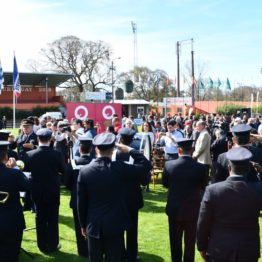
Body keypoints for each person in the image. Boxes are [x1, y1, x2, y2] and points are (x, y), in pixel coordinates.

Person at [77, 132, 152, 262]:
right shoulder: (120, 168)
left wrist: (83, 225)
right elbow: (146, 165)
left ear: (96, 149)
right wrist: (130, 150)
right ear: (113, 150)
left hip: (93, 223)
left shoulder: (85, 171)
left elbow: (81, 202)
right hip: (115, 224)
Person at [197, 147, 262, 262]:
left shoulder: (213, 190)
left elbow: (203, 221)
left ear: (229, 168)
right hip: (248, 249)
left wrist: (201, 246)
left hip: (219, 248)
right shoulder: (258, 189)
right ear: (248, 169)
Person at [162, 138, 206, 262]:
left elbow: (165, 183)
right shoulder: (200, 168)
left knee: (175, 241)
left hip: (175, 209)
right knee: (190, 242)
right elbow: (203, 186)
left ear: (179, 150)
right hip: (192, 209)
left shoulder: (169, 165)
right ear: (192, 150)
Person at [24, 128, 66, 253]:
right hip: (52, 190)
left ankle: (42, 245)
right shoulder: (57, 154)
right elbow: (64, 171)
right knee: (53, 218)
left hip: (37, 191)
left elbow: (26, 171)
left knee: (40, 217)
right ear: (50, 140)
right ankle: (53, 245)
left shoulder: (30, 154)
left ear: (38, 139)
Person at [112, 128, 151, 262]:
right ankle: (132, 256)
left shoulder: (112, 156)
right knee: (132, 230)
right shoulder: (135, 157)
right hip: (131, 198)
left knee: (117, 229)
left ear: (120, 140)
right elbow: (145, 179)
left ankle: (120, 254)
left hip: (116, 198)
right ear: (131, 141)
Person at [0, 141, 30, 262]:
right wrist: (16, 168)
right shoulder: (15, 173)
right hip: (12, 220)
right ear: (6, 157)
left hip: (10, 218)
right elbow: (27, 187)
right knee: (11, 254)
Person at [65, 137, 93, 258]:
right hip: (93, 199)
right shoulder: (95, 162)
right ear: (91, 149)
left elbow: (66, 181)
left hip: (77, 199)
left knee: (79, 225)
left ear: (80, 149)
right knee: (93, 225)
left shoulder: (73, 163)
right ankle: (94, 248)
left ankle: (82, 251)